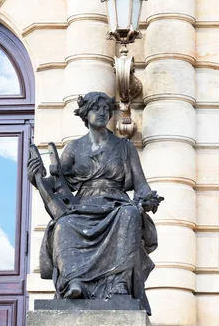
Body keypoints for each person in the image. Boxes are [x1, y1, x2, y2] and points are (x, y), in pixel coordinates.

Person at [27, 91, 162, 314]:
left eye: (105, 109)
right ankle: (74, 282)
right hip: (83, 205)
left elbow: (141, 185)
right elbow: (57, 183)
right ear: (85, 114)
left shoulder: (125, 147)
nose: (101, 113)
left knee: (129, 214)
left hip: (115, 202)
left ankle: (119, 284)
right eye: (95, 109)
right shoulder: (74, 147)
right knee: (64, 224)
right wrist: (36, 177)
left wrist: (148, 199)